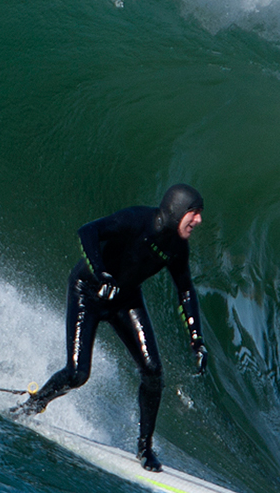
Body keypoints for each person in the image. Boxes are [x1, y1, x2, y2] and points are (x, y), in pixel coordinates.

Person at [21, 183, 208, 472]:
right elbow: (88, 231)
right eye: (193, 213)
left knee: (153, 372)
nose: (198, 221)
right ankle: (30, 407)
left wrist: (196, 339)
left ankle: (145, 448)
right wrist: (102, 272)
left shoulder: (177, 247)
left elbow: (185, 290)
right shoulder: (137, 219)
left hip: (127, 299)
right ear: (176, 210)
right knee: (77, 373)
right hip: (89, 291)